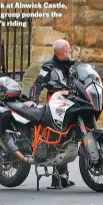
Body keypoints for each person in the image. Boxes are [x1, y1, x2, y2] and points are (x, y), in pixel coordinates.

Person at [26, 39, 75, 188]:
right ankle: (56, 179)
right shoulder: (48, 66)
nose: (70, 51)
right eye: (68, 50)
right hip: (55, 106)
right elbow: (38, 84)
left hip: (70, 104)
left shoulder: (70, 65)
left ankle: (63, 177)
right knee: (57, 139)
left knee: (66, 139)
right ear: (60, 51)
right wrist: (33, 100)